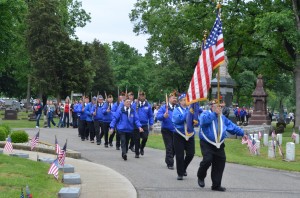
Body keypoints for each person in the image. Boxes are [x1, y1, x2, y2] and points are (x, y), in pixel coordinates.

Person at [197, 100, 246, 192]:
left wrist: (242, 133)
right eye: (216, 106)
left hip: (219, 144)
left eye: (220, 107)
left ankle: (216, 185)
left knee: (220, 163)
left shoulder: (223, 118)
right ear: (212, 106)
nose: (219, 108)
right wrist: (214, 114)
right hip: (207, 143)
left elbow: (232, 126)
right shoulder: (205, 114)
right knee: (207, 160)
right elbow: (203, 122)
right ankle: (201, 176)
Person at [172, 93, 195, 180]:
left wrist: (195, 119)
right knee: (180, 155)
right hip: (179, 134)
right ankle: (180, 173)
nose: (185, 101)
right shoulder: (176, 110)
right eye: (183, 100)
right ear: (180, 101)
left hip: (190, 134)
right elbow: (178, 120)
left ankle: (183, 167)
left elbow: (196, 120)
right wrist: (187, 113)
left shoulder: (192, 109)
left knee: (191, 153)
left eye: (186, 100)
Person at [156, 92, 178, 170]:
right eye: (173, 98)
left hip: (176, 131)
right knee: (169, 146)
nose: (175, 99)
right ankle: (170, 163)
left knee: (175, 147)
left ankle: (168, 159)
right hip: (166, 130)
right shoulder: (164, 107)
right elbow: (158, 117)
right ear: (169, 99)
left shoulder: (178, 108)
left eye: (176, 98)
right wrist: (163, 116)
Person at [133, 91, 154, 158]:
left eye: (142, 96)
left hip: (144, 124)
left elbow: (151, 116)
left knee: (145, 137)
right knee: (137, 139)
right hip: (136, 124)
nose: (141, 97)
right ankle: (137, 153)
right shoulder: (135, 104)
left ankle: (141, 147)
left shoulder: (148, 105)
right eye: (140, 95)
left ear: (145, 96)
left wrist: (151, 124)